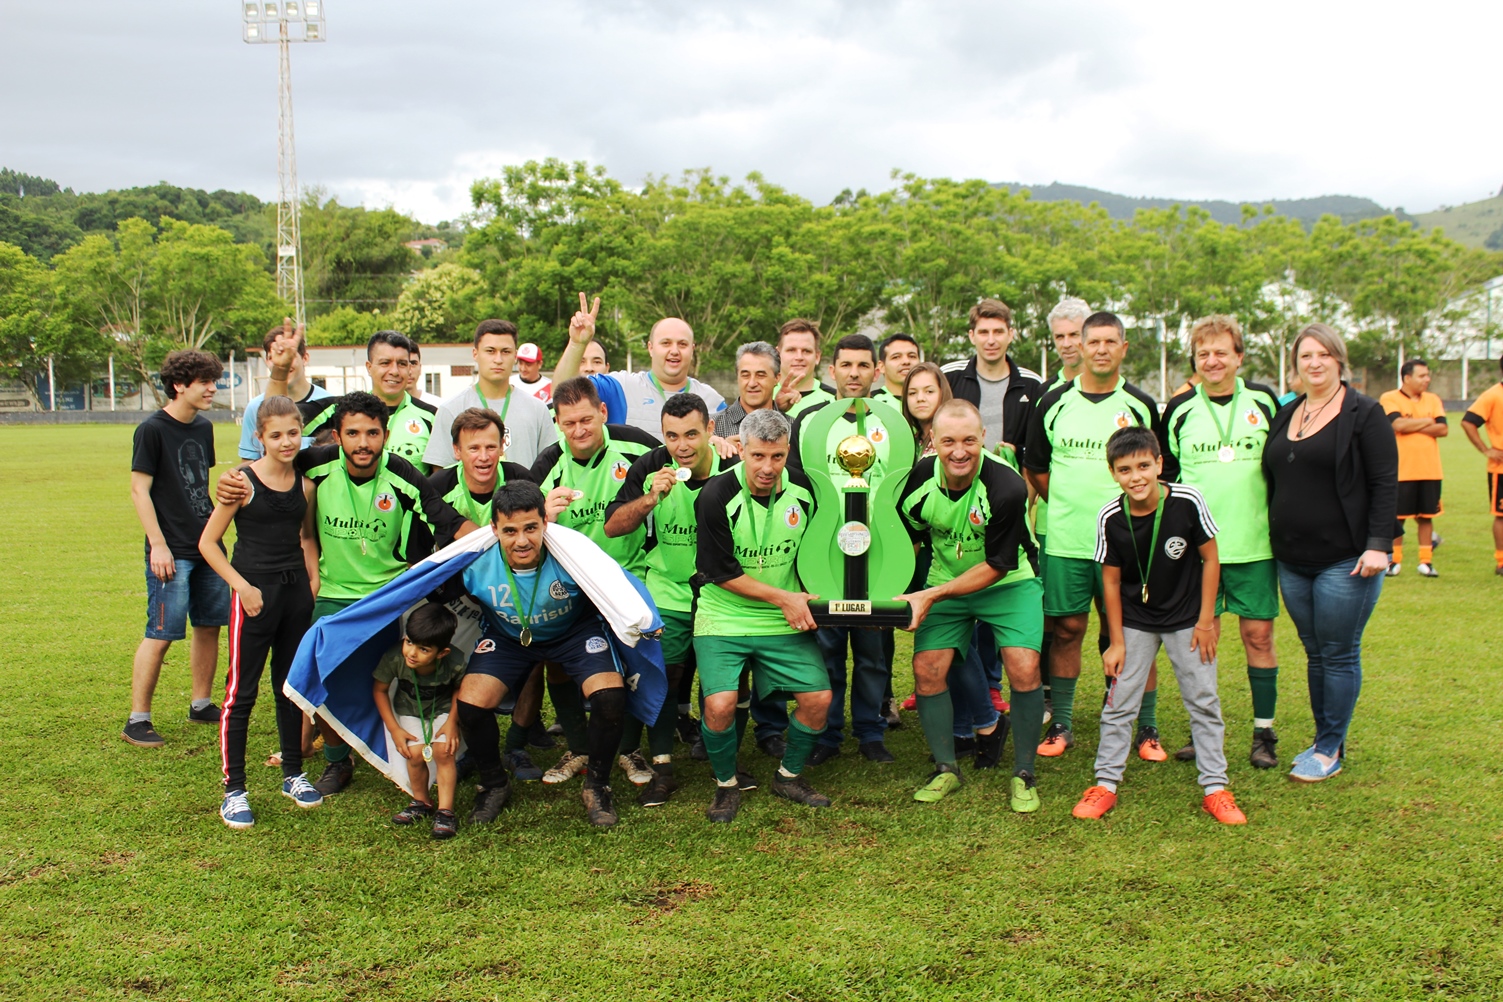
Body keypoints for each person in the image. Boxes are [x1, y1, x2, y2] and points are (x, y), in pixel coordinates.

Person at [215, 391, 474, 795]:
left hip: (382, 600)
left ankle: (411, 752)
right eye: (352, 433)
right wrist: (233, 476)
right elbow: (268, 467)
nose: (362, 443)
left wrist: (497, 539)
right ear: (337, 436)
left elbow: (446, 518)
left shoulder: (402, 474)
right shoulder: (315, 464)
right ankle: (337, 761)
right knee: (321, 681)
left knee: (387, 679)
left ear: (385, 435)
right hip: (326, 595)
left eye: (372, 433)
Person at [1073, 426, 1247, 825]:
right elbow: (1111, 581)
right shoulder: (1110, 516)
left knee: (1203, 700)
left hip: (1188, 619)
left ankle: (1216, 788)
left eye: (1143, 466)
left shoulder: (1187, 501)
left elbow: (1211, 560)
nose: (1136, 477)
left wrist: (1206, 621)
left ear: (1159, 465)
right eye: (1124, 469)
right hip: (1135, 620)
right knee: (1119, 704)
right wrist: (1115, 641)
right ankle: (1106, 783)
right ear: (1113, 474)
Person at [895, 400, 1048, 811]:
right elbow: (903, 539)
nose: (958, 451)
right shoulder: (918, 480)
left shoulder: (1007, 486)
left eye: (968, 440)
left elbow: (998, 565)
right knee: (927, 669)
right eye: (948, 441)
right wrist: (896, 592)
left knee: (1023, 666)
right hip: (944, 579)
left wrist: (929, 596)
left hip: (1009, 581)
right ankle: (946, 768)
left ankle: (1024, 772)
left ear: (983, 438)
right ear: (932, 441)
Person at [1024, 312, 1161, 758]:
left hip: (1131, 545)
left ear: (1124, 348)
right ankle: (1062, 722)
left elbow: (1160, 473)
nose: (1101, 349)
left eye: (1110, 342)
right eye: (1093, 342)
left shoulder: (1141, 405)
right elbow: (1037, 468)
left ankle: (1147, 726)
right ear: (1080, 348)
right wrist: (1070, 505)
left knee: (1135, 632)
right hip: (1066, 539)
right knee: (1066, 629)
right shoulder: (1053, 402)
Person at [454, 482, 630, 828]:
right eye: (510, 531)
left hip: (573, 632)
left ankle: (597, 785)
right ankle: (493, 784)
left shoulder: (573, 556)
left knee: (610, 698)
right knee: (472, 705)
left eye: (531, 528)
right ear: (494, 530)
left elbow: (614, 587)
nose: (522, 541)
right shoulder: (473, 565)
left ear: (545, 524)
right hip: (509, 637)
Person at [1263, 323, 1396, 783]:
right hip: (1292, 560)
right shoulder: (1289, 411)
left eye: (1323, 354)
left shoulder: (1365, 413)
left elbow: (1384, 483)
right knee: (1315, 652)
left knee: (1338, 653)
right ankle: (1325, 738)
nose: (1314, 363)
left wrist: (1380, 545)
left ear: (1339, 360)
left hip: (1346, 559)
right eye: (1305, 356)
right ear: (1295, 365)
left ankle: (1328, 748)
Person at [694, 409, 833, 821]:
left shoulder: (806, 491)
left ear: (787, 451)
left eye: (776, 457)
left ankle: (788, 776)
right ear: (740, 449)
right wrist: (786, 599)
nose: (767, 467)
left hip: (780, 618)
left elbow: (821, 550)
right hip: (725, 614)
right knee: (719, 705)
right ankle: (725, 786)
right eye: (757, 456)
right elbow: (719, 573)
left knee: (819, 699)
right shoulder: (716, 495)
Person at [605, 392, 740, 807]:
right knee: (666, 678)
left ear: (711, 430)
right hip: (668, 591)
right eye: (672, 436)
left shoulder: (734, 469)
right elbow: (613, 527)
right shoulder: (650, 467)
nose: (682, 446)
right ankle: (663, 767)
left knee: (729, 683)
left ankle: (727, 759)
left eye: (692, 435)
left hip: (726, 593)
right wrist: (650, 499)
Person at [1161, 315, 1283, 768]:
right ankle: (1203, 728)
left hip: (1254, 545)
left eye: (1220, 352)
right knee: (1200, 643)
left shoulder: (1265, 402)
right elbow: (1168, 480)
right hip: (1198, 552)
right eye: (1203, 354)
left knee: (1259, 635)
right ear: (1195, 360)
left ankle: (1263, 732)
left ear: (1239, 357)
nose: (1212, 361)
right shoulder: (1178, 410)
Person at [197, 395, 322, 827]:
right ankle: (234, 789)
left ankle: (293, 772)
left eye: (293, 433)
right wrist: (242, 586)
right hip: (252, 595)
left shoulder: (305, 485)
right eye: (276, 435)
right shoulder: (242, 483)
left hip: (294, 596)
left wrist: (312, 580)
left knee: (289, 688)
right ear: (259, 437)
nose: (286, 442)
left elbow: (305, 537)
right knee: (240, 693)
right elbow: (208, 543)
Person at [529, 376, 658, 786]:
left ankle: (630, 750)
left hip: (627, 574)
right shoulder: (549, 463)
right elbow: (523, 525)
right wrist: (544, 511)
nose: (579, 430)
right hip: (568, 583)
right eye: (569, 423)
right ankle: (579, 745)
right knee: (559, 665)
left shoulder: (636, 445)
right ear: (558, 423)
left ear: (602, 412)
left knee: (631, 661)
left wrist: (723, 446)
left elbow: (681, 457)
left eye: (586, 419)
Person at [789, 333, 903, 763]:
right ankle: (828, 734)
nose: (854, 374)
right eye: (846, 365)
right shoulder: (811, 420)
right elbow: (799, 486)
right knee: (829, 647)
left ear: (876, 371)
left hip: (876, 553)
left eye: (863, 366)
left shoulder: (891, 423)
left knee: (874, 651)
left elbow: (899, 485)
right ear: (831, 370)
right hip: (826, 551)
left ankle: (871, 733)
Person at [425, 407, 546, 781]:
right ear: (456, 451)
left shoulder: (521, 480)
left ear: (502, 447)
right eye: (473, 447)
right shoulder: (438, 487)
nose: (483, 456)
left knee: (532, 661)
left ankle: (517, 745)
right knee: (457, 668)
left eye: (491, 446)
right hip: (458, 594)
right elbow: (421, 548)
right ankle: (467, 748)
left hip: (516, 590)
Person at [124, 349, 229, 748]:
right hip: (170, 549)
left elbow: (199, 486)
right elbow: (139, 490)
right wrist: (158, 545)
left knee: (208, 626)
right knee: (162, 631)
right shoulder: (151, 430)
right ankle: (138, 719)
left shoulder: (203, 428)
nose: (212, 389)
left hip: (207, 545)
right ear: (179, 385)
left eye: (214, 380)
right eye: (204, 382)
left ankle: (201, 704)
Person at [552, 294, 727, 438]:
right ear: (650, 348)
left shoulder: (713, 401)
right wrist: (577, 344)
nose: (674, 351)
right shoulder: (621, 386)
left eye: (682, 344)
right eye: (666, 343)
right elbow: (562, 392)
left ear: (692, 350)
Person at [1034, 297, 1091, 721]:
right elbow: (1034, 465)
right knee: (1058, 621)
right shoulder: (1047, 394)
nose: (1069, 344)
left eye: (1076, 334)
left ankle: (1121, 701)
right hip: (1060, 529)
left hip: (1121, 535)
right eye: (1061, 337)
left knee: (1121, 621)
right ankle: (1053, 699)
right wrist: (1068, 500)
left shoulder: (1133, 399)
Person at [373, 603, 465, 839]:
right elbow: (380, 690)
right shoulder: (395, 657)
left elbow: (460, 690)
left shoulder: (454, 661)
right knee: (414, 755)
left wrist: (452, 721)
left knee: (444, 751)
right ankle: (421, 802)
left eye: (423, 649)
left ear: (441, 653)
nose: (412, 653)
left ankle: (446, 812)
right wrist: (394, 729)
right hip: (409, 710)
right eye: (409, 642)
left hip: (443, 709)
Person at [421, 320, 556, 471]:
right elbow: (441, 474)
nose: (498, 359)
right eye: (490, 351)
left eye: (505, 352)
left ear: (515, 356)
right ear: (475, 354)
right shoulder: (451, 409)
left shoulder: (537, 409)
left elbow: (551, 469)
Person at [296, 331, 437, 467]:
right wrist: (280, 374)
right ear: (369, 367)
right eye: (385, 363)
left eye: (402, 364)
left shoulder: (432, 416)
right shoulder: (339, 409)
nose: (394, 371)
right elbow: (279, 421)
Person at [941, 299, 1043, 467]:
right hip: (958, 480)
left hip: (1011, 483)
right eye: (983, 332)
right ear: (972, 336)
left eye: (998, 332)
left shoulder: (1032, 383)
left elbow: (1039, 443)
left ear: (1010, 335)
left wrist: (1016, 450)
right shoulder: (949, 376)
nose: (991, 340)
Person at [1380, 359, 1447, 577]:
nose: (1427, 379)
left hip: (1430, 469)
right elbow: (1397, 425)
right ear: (1407, 378)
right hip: (1401, 470)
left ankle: (1425, 562)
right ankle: (1393, 561)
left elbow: (1443, 428)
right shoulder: (1390, 398)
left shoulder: (1433, 399)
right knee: (1397, 517)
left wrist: (1414, 425)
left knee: (1427, 516)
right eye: (1422, 376)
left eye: (1428, 375)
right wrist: (1428, 421)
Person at [239, 320, 333, 460]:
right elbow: (250, 462)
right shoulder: (255, 408)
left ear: (305, 358)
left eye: (290, 355)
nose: (283, 361)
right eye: (273, 357)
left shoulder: (330, 405)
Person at [1461, 353, 1503, 575]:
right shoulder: (1493, 396)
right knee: (1502, 515)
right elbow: (1468, 422)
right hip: (1501, 468)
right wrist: (1486, 449)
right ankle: (1501, 561)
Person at [717, 341, 780, 440]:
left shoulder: (794, 427)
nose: (752, 383)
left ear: (777, 378)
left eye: (760, 375)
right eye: (745, 375)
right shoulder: (711, 428)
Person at [774, 318, 836, 418]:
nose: (799, 357)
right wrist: (775, 407)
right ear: (777, 354)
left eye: (806, 351)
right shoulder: (762, 396)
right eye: (791, 350)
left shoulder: (835, 400)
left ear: (817, 357)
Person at [902, 362, 952, 456]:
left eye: (929, 391)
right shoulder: (909, 442)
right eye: (912, 393)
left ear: (942, 393)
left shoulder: (954, 439)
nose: (920, 398)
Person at [871, 333, 921, 401]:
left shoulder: (934, 403)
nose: (906, 361)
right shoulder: (870, 404)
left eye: (912, 356)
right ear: (882, 366)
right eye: (896, 357)